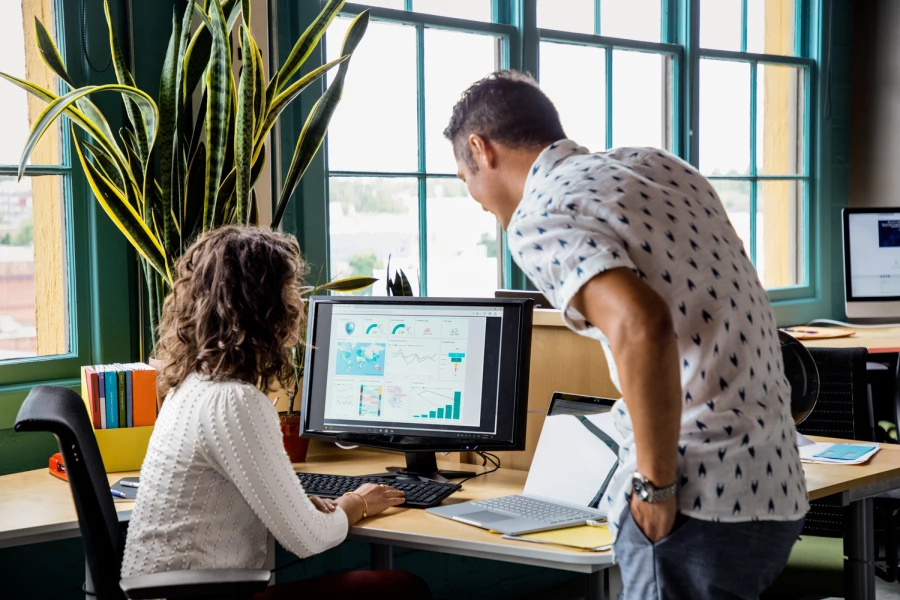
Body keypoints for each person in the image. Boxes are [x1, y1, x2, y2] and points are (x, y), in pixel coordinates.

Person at [444, 71, 807, 599]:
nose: (475, 198)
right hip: (773, 485)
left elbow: (641, 323)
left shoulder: (539, 216)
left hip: (695, 499)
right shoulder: (657, 167)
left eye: (465, 179)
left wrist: (654, 490)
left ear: (481, 149)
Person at [121, 226, 431, 599]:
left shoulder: (189, 385)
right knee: (400, 589)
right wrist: (357, 503)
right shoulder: (233, 402)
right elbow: (309, 540)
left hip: (163, 593)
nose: (299, 303)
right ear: (259, 305)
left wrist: (302, 507)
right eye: (289, 290)